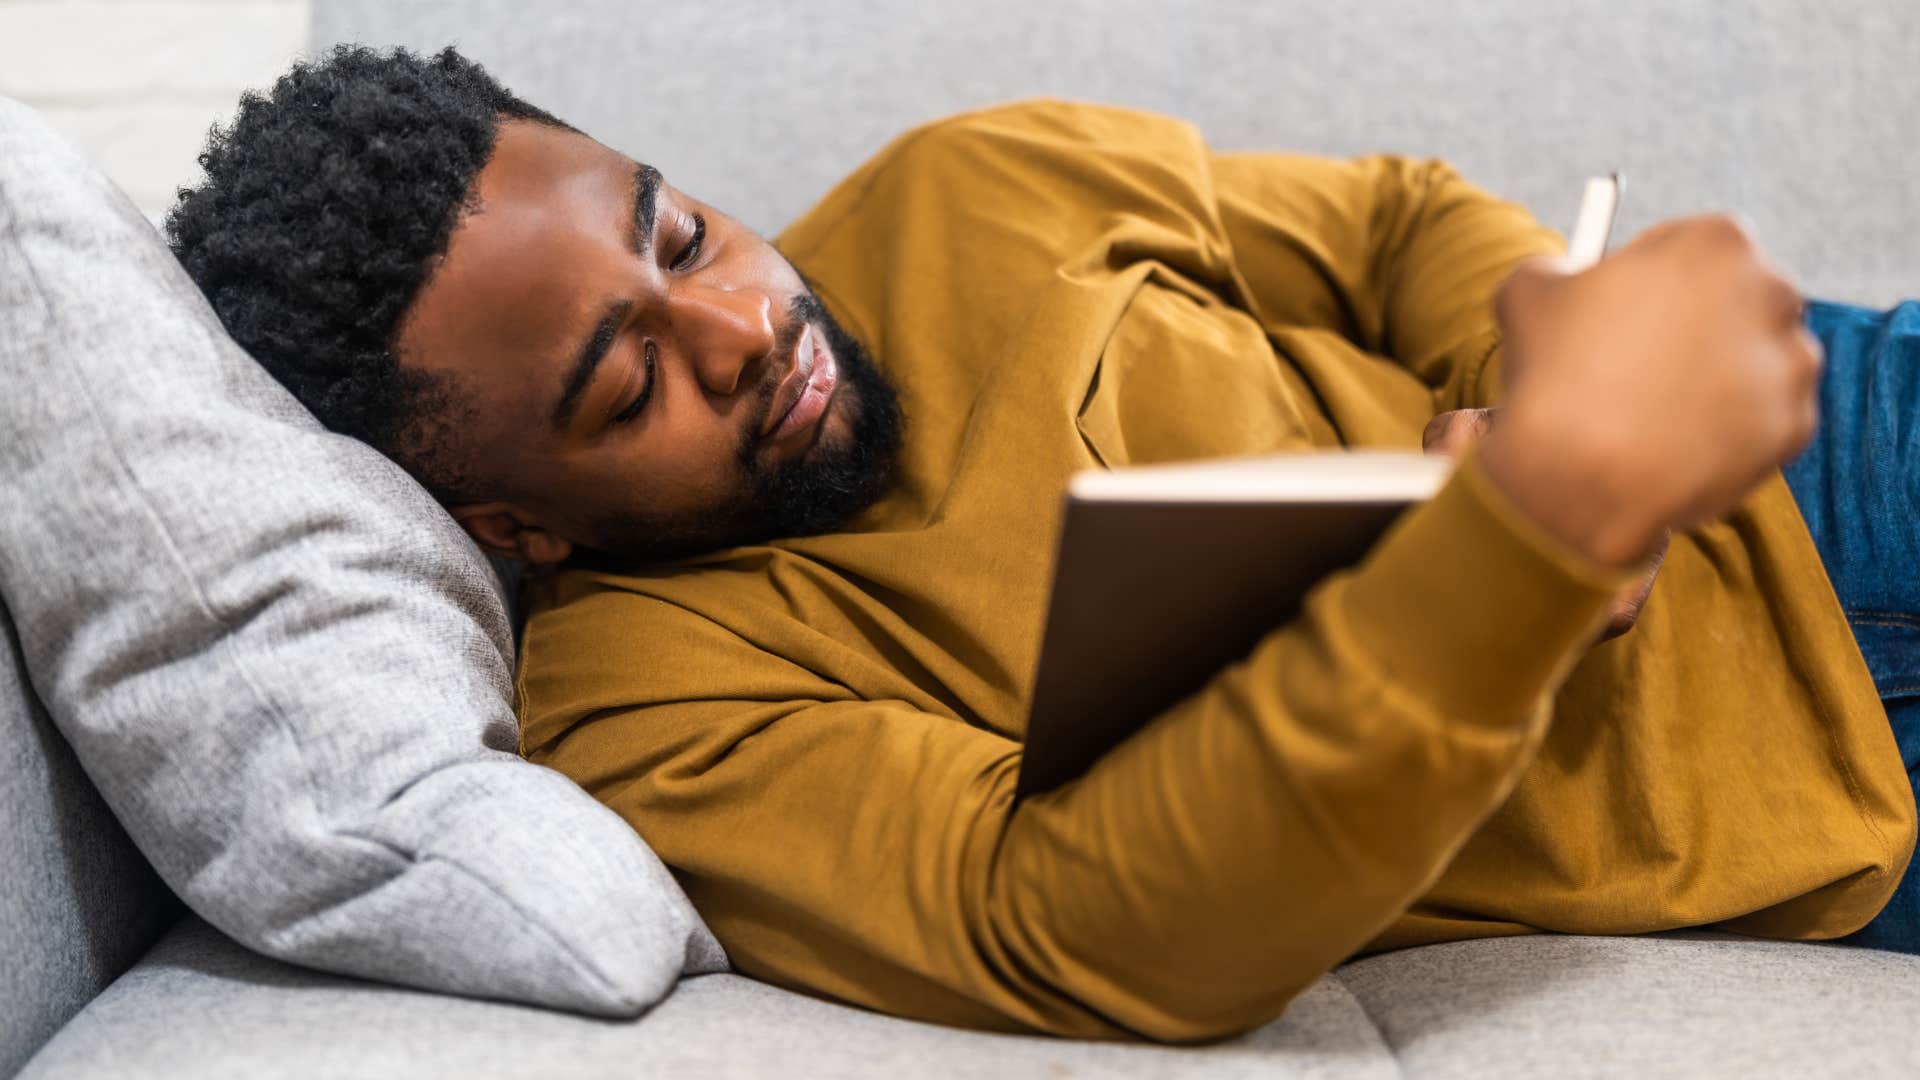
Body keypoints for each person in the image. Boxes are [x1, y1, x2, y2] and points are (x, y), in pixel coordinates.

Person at [167, 45, 1917, 1041]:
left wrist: (1526, 385)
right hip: (1816, 805)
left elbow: (1393, 223)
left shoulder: (967, 185)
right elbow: (1067, 916)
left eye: (682, 235)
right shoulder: (651, 713)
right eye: (631, 388)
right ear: (512, 524)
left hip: (1820, 438)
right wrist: (1529, 550)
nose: (744, 328)